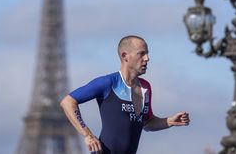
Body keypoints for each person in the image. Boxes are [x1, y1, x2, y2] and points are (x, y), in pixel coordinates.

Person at [60, 35, 190, 154]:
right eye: (142, 54)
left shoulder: (146, 87)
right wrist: (87, 134)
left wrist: (169, 121)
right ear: (125, 56)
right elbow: (68, 102)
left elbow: (146, 122)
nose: (147, 58)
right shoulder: (108, 82)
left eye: (147, 54)